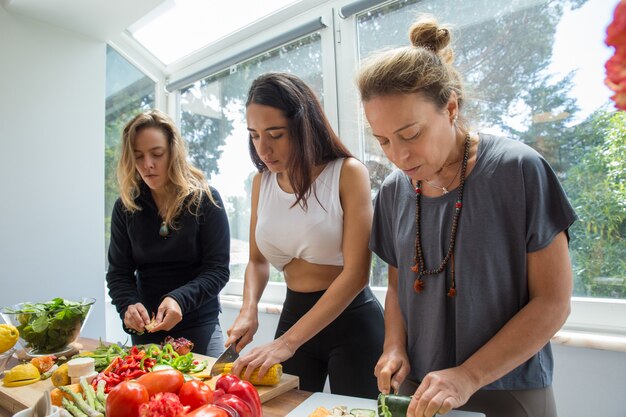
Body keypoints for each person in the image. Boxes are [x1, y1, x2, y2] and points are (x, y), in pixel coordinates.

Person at [356, 15, 576, 417]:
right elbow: (396, 285)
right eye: (383, 140)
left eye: (410, 134)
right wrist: (393, 346)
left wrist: (468, 376)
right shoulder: (392, 191)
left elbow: (553, 302)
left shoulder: (519, 170)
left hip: (509, 389)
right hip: (420, 391)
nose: (398, 156)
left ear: (451, 108)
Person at [225, 72, 384, 397]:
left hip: (352, 322)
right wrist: (248, 310)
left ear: (304, 126)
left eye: (275, 134)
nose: (263, 148)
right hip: (294, 312)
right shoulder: (262, 183)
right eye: (254, 135)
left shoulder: (348, 173)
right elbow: (257, 261)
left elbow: (356, 275)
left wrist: (286, 343)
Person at [106, 109, 230, 357]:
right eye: (138, 156)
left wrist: (178, 300)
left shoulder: (205, 198)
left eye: (157, 154)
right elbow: (118, 274)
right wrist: (128, 306)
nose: (147, 165)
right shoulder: (125, 207)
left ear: (173, 152)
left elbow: (217, 270)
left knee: (213, 389)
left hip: (199, 324)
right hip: (147, 331)